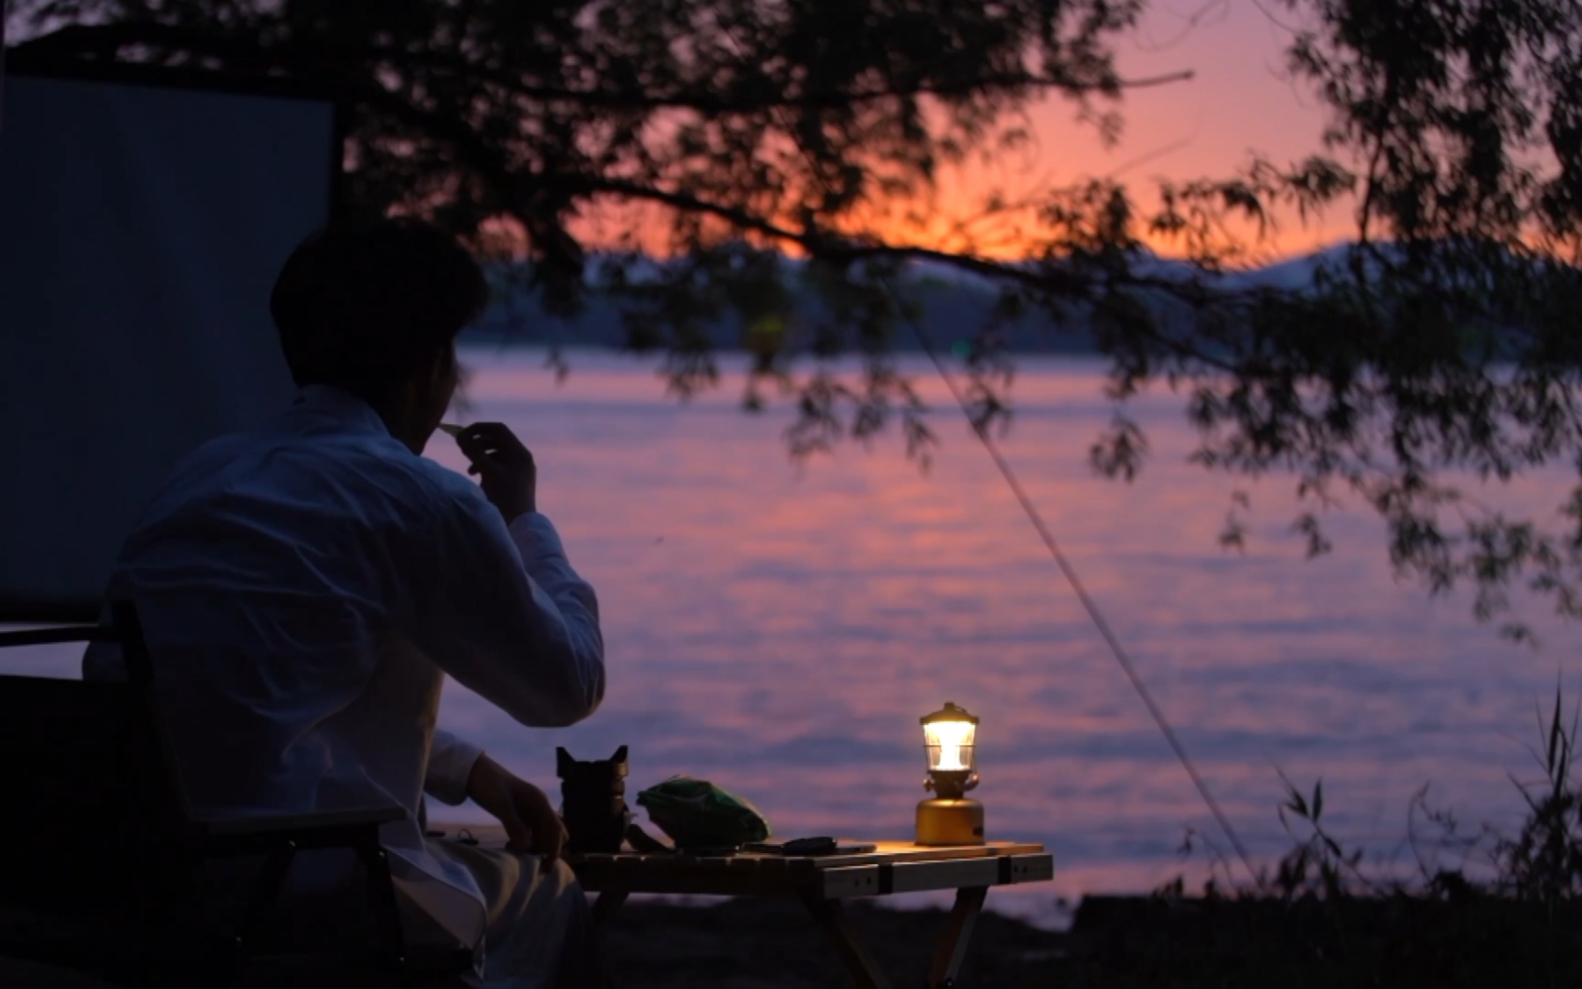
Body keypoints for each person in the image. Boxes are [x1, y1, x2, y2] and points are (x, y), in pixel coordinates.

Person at [81, 219, 606, 988]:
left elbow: (250, 695)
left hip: (152, 880)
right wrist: (522, 518)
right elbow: (569, 685)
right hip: (303, 889)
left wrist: (467, 769)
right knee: (552, 892)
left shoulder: (200, 475)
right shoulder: (416, 497)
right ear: (431, 366)